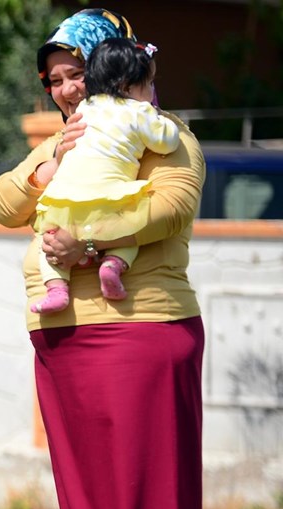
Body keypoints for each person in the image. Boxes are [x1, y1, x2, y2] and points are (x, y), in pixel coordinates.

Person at [0, 8, 219, 509]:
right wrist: (48, 166)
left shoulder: (160, 131)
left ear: (107, 66)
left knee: (150, 483)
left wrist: (87, 239)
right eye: (54, 81)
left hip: (143, 324)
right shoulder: (68, 139)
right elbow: (4, 204)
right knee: (89, 489)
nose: (65, 91)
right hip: (63, 332)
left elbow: (170, 207)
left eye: (76, 75)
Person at [32, 37, 180, 313]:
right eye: (148, 83)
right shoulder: (139, 111)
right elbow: (167, 142)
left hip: (64, 199)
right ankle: (113, 265)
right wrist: (162, 119)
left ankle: (55, 289)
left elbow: (173, 212)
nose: (151, 90)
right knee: (128, 230)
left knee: (49, 241)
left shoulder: (84, 110)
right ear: (126, 85)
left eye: (78, 74)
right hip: (110, 198)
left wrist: (82, 244)